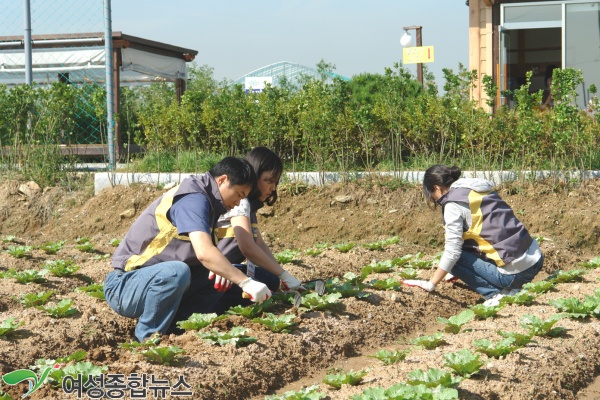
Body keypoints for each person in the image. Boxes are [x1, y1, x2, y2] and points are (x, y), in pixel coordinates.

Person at [104, 156, 271, 342]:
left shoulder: (211, 203)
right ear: (222, 180)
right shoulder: (194, 198)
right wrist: (246, 283)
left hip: (157, 281)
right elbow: (204, 252)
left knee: (234, 277)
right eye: (239, 195)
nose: (239, 203)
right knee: (177, 272)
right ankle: (147, 339)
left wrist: (229, 272)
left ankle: (176, 327)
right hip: (125, 284)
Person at [403, 164, 544, 306]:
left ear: (436, 188)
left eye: (431, 194)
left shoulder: (452, 204)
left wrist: (431, 284)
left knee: (454, 261)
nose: (433, 199)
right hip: (536, 259)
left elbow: (452, 252)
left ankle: (496, 294)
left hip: (516, 274)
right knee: (463, 251)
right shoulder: (475, 188)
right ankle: (509, 286)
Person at [212, 147, 302, 296]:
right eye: (268, 180)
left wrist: (283, 275)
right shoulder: (240, 202)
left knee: (271, 280)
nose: (273, 188)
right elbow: (247, 247)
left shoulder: (249, 207)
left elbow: (259, 243)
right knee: (268, 281)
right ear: (254, 176)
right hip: (219, 272)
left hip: (225, 270)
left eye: (275, 182)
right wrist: (283, 276)